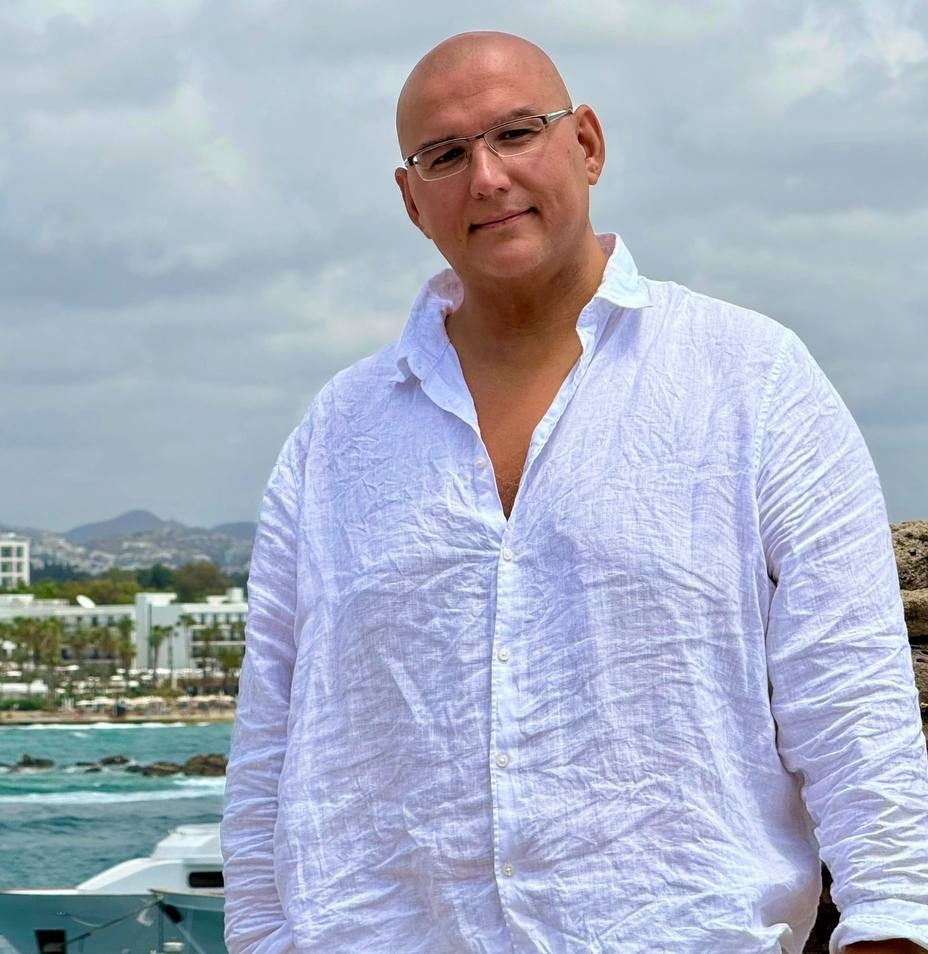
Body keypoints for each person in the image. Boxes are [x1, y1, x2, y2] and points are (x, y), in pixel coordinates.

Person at [221, 30, 928, 954]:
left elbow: (849, 683)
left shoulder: (750, 378)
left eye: (517, 133)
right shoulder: (337, 434)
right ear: (410, 197)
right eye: (445, 155)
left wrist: (891, 922)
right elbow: (271, 733)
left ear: (586, 143)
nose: (487, 177)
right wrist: (260, 935)